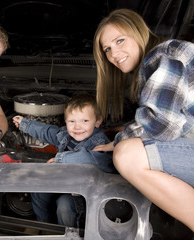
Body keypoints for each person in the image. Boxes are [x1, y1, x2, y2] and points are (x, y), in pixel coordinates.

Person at [92, 9, 194, 231]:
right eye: (107, 49)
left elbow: (163, 125)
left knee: (128, 155)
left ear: (138, 32)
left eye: (120, 41)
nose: (113, 54)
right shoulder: (153, 64)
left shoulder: (166, 52)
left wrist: (119, 140)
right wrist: (124, 130)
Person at [12, 93, 115, 228]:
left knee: (64, 205)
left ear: (97, 121)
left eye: (85, 121)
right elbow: (47, 131)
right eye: (72, 121)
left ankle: (68, 233)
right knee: (38, 191)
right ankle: (44, 227)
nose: (77, 127)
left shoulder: (100, 142)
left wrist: (61, 159)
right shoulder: (66, 135)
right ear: (65, 121)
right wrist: (25, 124)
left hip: (83, 194)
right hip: (64, 182)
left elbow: (90, 157)